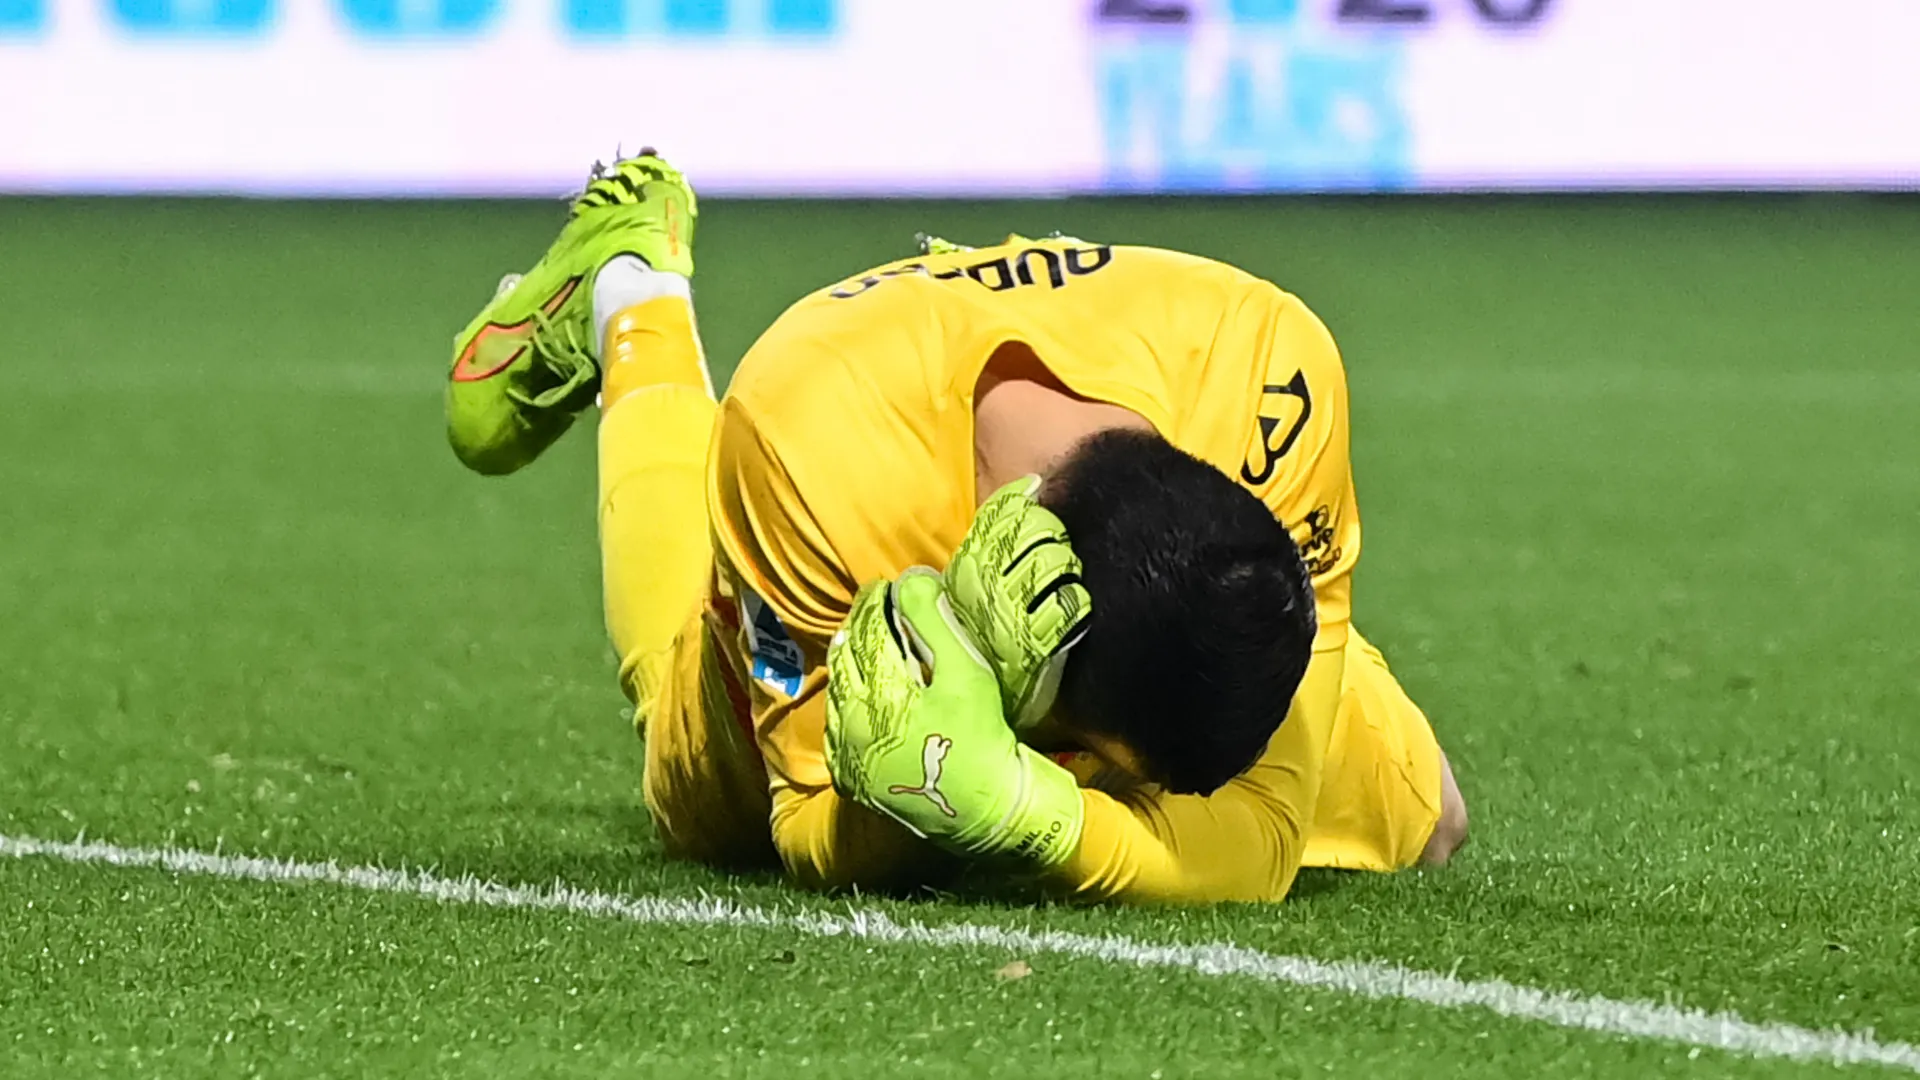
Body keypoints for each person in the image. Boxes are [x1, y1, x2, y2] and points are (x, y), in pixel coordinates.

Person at [443, 152, 1467, 903]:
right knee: (688, 785)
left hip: (1129, 636)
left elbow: (1266, 836)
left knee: (1430, 822)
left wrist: (1026, 811)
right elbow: (805, 823)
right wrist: (922, 800)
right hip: (849, 535)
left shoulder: (1272, 375)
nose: (1103, 782)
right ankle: (634, 296)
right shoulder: (809, 437)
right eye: (1094, 759)